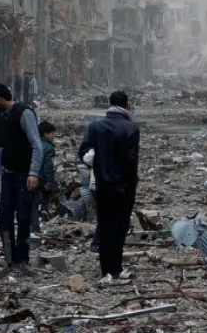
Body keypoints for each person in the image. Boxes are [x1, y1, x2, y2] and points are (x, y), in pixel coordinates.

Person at [78, 89, 140, 282]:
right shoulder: (131, 128)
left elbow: (85, 154)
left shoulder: (95, 127)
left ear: (109, 104)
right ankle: (117, 267)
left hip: (103, 185)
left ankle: (106, 270)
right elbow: (132, 161)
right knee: (120, 226)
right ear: (127, 105)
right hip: (124, 187)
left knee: (104, 225)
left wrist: (100, 164)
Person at [0, 83, 42, 270]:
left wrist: (33, 172)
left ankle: (22, 259)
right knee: (4, 217)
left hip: (24, 175)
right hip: (8, 174)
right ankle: (10, 259)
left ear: (1, 99)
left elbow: (37, 145)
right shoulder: (2, 116)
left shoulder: (24, 113)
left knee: (24, 217)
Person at [31, 121, 58, 238]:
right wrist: (50, 181)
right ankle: (43, 212)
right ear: (46, 134)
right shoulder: (49, 148)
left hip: (32, 175)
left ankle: (34, 218)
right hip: (42, 177)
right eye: (52, 133)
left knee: (34, 197)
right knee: (46, 194)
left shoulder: (33, 144)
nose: (54, 136)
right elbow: (48, 166)